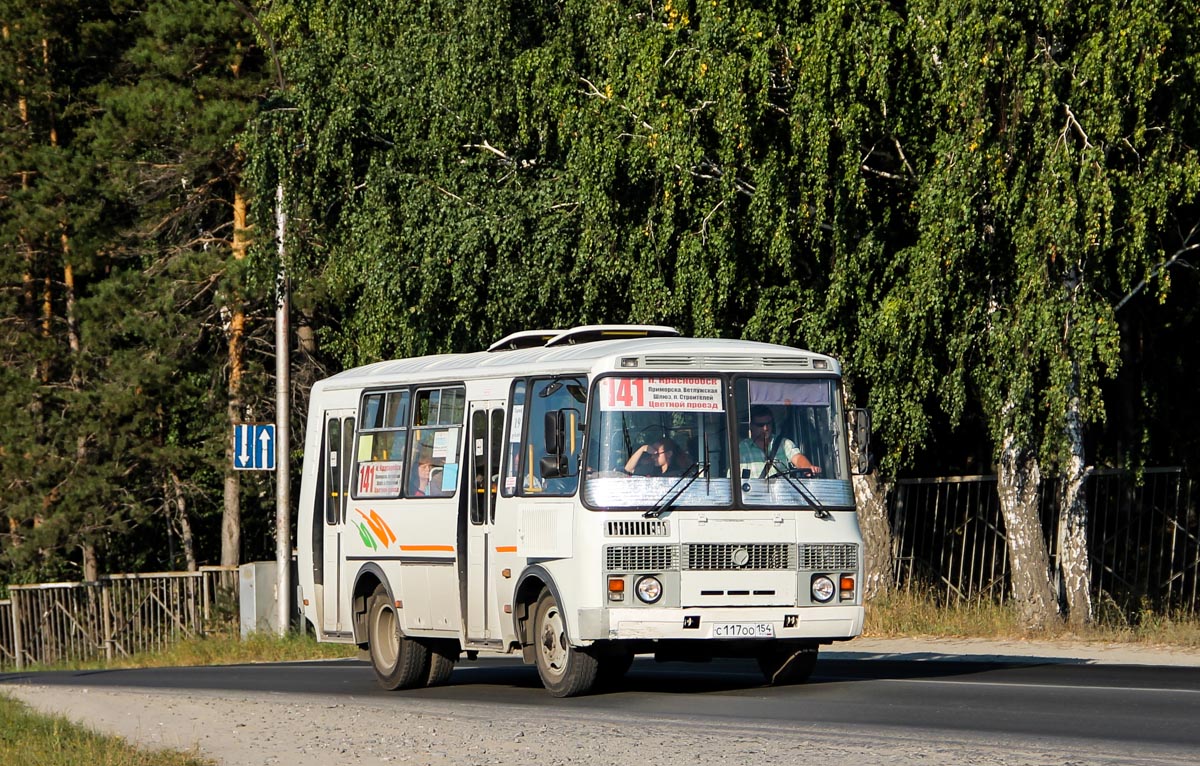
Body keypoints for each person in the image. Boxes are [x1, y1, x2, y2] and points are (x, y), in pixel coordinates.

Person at [738, 405, 819, 478]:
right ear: (751, 426)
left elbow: (798, 458)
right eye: (761, 425)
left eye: (768, 424)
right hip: (755, 493)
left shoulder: (784, 443)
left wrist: (807, 467)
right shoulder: (742, 448)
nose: (766, 428)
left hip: (783, 493)